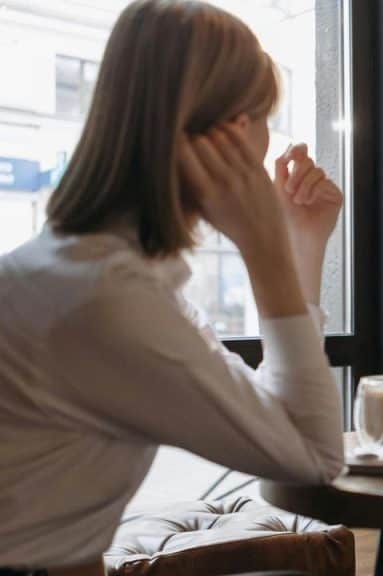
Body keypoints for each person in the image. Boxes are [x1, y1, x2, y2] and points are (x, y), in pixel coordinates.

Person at [0, 1, 344, 574]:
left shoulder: (89, 272)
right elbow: (313, 456)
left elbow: (272, 422)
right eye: (262, 116)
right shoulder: (102, 300)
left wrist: (300, 249)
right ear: (230, 134)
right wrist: (268, 251)